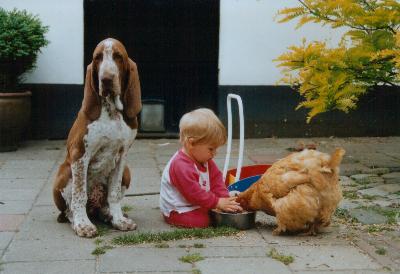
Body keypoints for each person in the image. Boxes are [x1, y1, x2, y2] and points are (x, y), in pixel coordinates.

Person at [159, 108, 242, 228]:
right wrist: (217, 202)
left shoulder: (204, 160)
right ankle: (172, 216)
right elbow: (193, 193)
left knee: (213, 213)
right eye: (211, 149)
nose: (214, 153)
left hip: (197, 202)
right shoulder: (180, 166)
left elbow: (216, 181)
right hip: (179, 208)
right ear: (191, 144)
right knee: (202, 222)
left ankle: (208, 208)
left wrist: (225, 199)